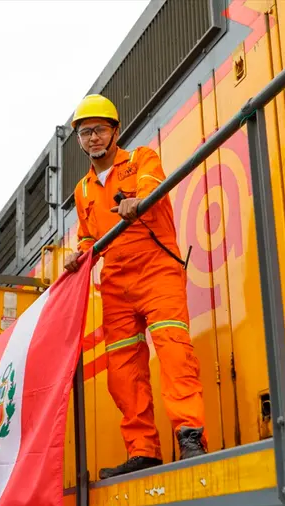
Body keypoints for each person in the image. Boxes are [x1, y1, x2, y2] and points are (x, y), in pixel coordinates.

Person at [64, 94, 207, 479]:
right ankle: (143, 450)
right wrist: (77, 254)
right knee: (123, 372)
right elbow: (85, 236)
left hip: (156, 268)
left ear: (116, 131)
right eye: (84, 132)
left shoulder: (142, 158)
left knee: (174, 353)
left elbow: (151, 185)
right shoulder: (82, 191)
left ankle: (190, 435)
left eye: (99, 130)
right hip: (115, 282)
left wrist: (137, 201)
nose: (92, 138)